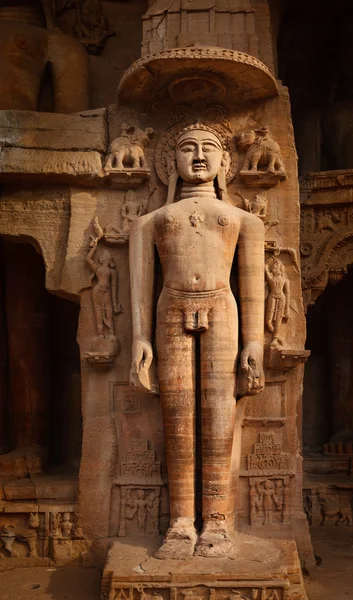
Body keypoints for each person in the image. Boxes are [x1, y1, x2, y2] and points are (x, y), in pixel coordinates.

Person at [129, 123, 265, 559]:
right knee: (178, 411)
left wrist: (253, 344)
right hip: (170, 308)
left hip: (223, 309)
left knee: (219, 411)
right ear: (171, 162)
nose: (199, 157)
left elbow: (252, 289)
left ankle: (219, 522)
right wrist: (139, 338)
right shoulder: (151, 222)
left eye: (210, 149)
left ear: (226, 162)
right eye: (188, 149)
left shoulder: (244, 220)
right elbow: (140, 286)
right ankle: (182, 521)